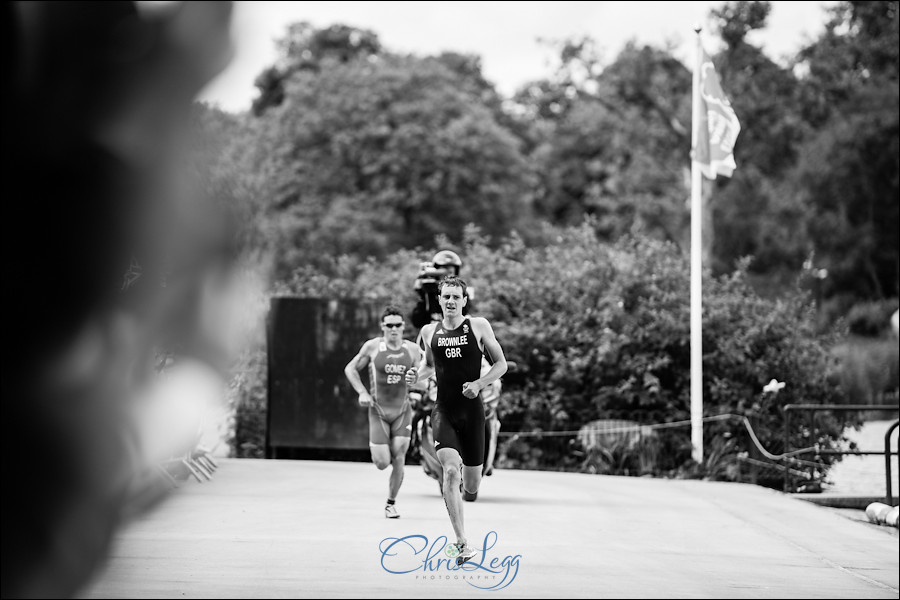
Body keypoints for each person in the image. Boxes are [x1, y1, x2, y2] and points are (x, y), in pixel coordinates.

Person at [405, 277, 507, 565]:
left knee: (471, 486)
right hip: (444, 411)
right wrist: (416, 377)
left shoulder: (478, 326)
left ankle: (465, 484)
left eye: (456, 297)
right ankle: (462, 542)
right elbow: (427, 367)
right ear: (439, 300)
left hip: (473, 413)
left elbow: (501, 365)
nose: (450, 301)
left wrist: (479, 383)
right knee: (450, 471)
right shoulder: (428, 331)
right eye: (446, 296)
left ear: (464, 300)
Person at [344, 306, 421, 518]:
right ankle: (381, 454)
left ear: (404, 326)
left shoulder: (413, 350)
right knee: (382, 463)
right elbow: (350, 369)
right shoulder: (372, 347)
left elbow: (427, 375)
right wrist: (362, 392)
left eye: (398, 325)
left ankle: (390, 503)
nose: (394, 329)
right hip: (378, 411)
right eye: (390, 325)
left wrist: (418, 383)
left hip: (403, 411)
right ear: (383, 327)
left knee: (399, 455)